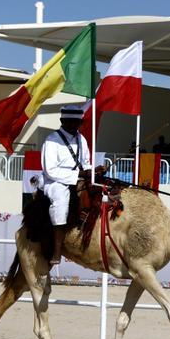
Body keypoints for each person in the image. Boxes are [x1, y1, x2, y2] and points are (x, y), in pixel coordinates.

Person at [41, 104, 104, 264]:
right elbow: (50, 170)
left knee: (101, 190)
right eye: (69, 122)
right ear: (62, 121)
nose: (73, 126)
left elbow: (85, 163)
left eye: (76, 123)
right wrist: (79, 174)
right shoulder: (51, 140)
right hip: (55, 181)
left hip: (79, 177)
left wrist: (94, 171)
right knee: (61, 200)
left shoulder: (81, 139)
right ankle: (57, 250)